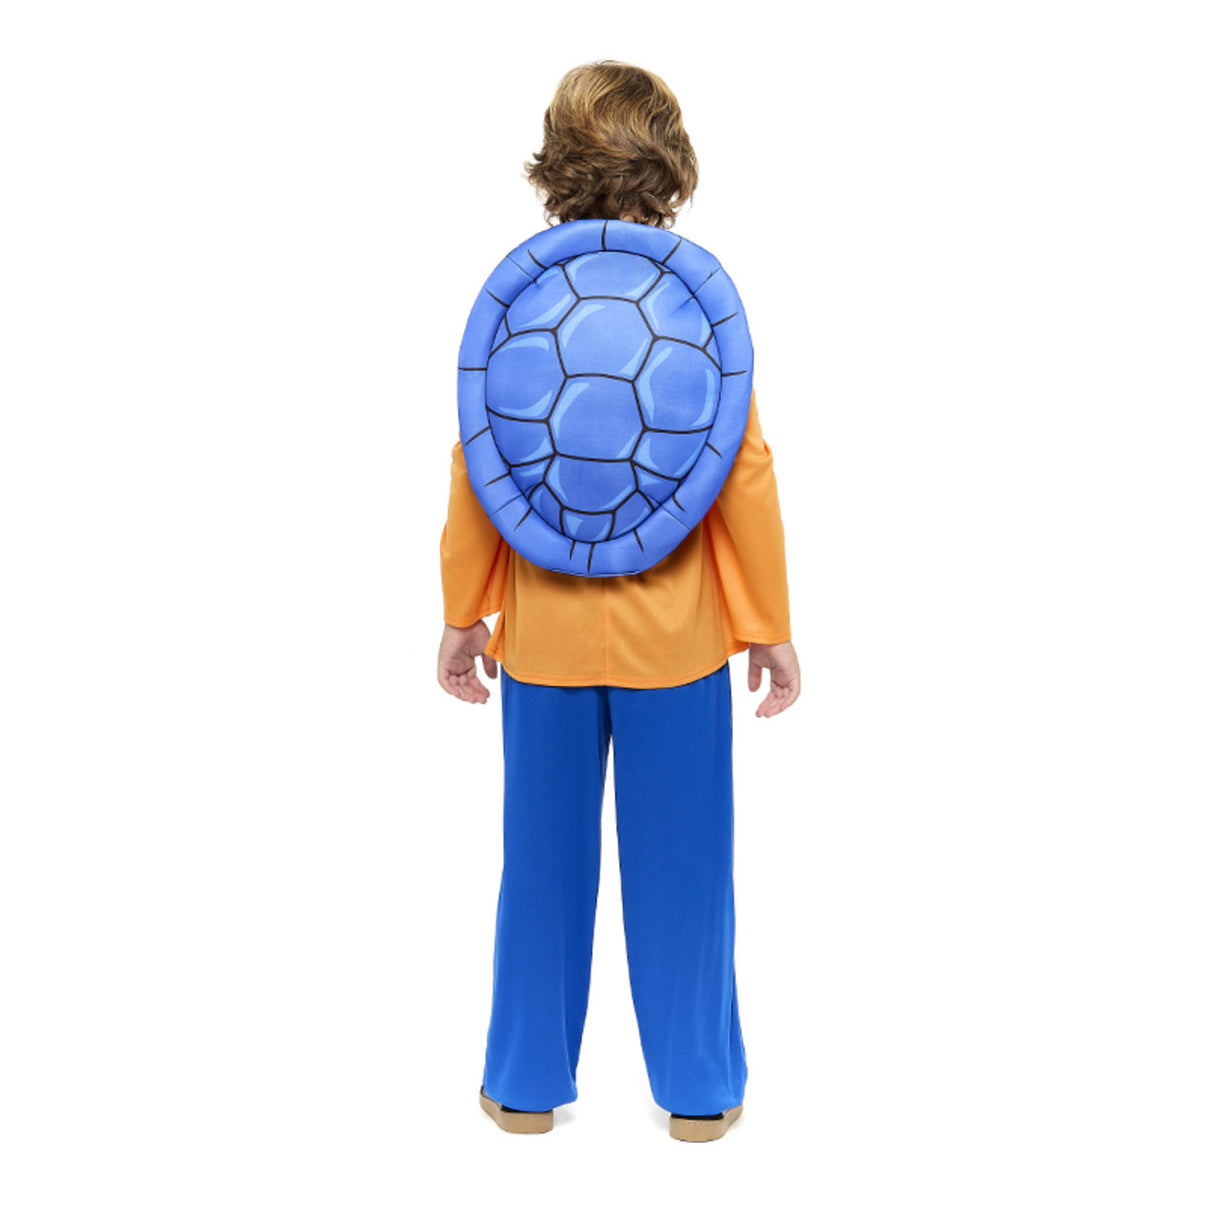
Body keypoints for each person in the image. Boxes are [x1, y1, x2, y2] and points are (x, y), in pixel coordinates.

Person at [437, 60, 800, 1143]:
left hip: (543, 636)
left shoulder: (522, 298)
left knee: (540, 871)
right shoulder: (695, 302)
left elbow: (480, 461)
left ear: (557, 162)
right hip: (675, 642)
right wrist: (768, 627)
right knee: (686, 872)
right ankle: (698, 1093)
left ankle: (522, 1088)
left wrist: (463, 611)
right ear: (670, 163)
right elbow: (742, 472)